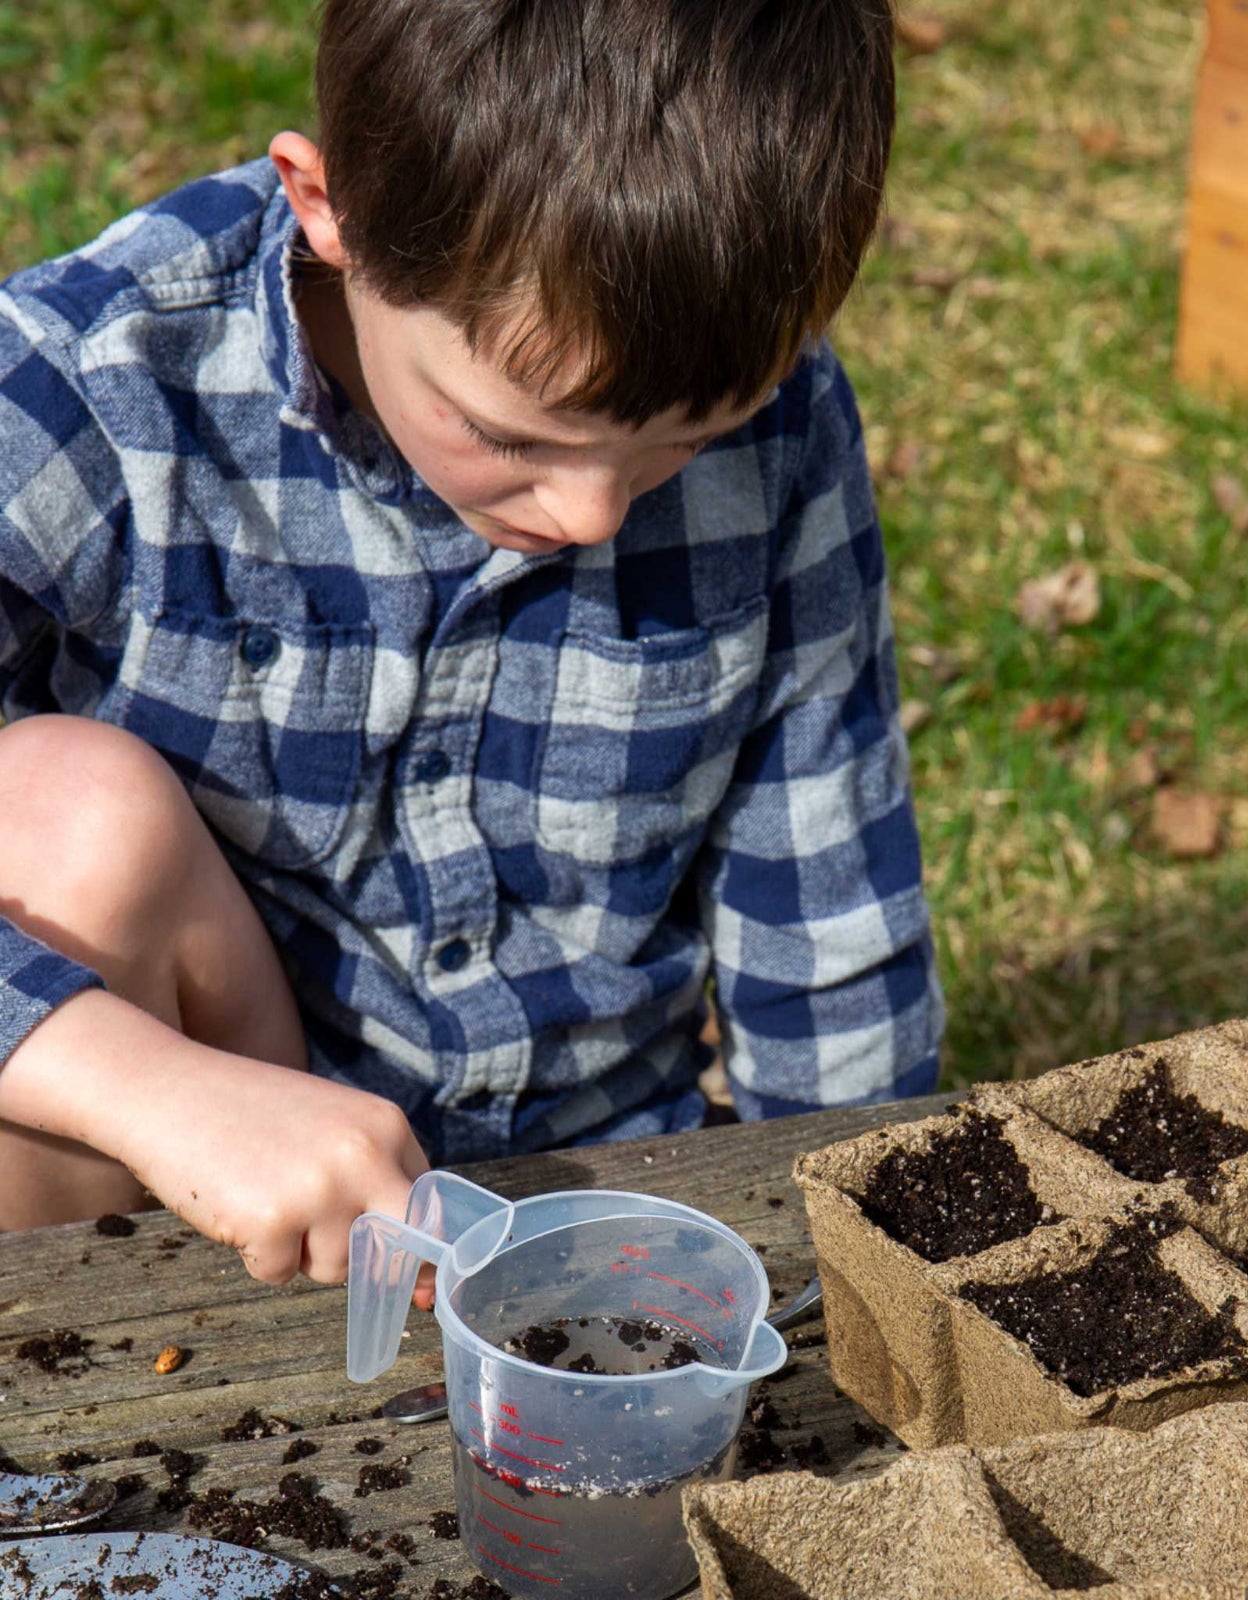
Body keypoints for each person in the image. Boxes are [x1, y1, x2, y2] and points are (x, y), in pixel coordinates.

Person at [0, 0, 942, 1295]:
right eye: (517, 437)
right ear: (328, 211)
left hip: (589, 1206)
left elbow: (827, 920)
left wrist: (857, 1260)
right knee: (58, 816)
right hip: (209, 1193)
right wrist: (158, 1093)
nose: (593, 514)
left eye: (685, 439)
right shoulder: (92, 391)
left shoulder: (783, 439)